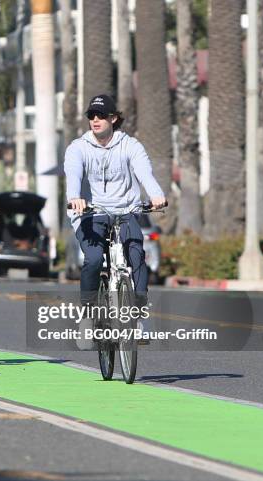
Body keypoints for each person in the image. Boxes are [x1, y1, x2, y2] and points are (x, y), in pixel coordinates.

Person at [64, 94, 166, 333]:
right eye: (91, 115)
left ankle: (138, 316)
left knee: (137, 256)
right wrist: (74, 198)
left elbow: (145, 173)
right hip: (91, 212)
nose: (96, 119)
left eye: (101, 115)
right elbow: (74, 174)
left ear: (114, 118)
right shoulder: (78, 147)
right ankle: (88, 313)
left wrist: (156, 195)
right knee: (93, 259)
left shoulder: (130, 145)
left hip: (126, 209)